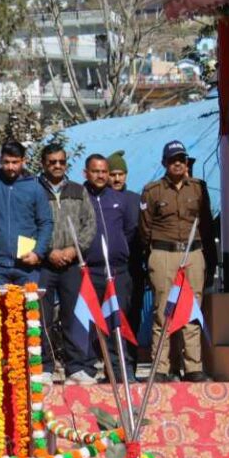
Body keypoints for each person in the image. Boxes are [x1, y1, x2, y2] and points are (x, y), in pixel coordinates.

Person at [140, 141, 216, 382]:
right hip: (164, 253)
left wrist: (208, 258)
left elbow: (206, 223)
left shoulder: (198, 188)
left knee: (192, 310)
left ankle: (193, 366)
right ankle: (161, 367)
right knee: (164, 311)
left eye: (182, 160)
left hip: (193, 253)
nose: (178, 164)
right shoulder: (153, 191)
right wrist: (151, 256)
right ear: (164, 163)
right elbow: (145, 228)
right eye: (173, 160)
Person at [36, 143, 97, 385]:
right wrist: (48, 251)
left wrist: (74, 249)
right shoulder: (33, 190)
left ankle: (75, 368)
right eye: (52, 162)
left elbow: (89, 225)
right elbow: (28, 225)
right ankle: (46, 367)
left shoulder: (77, 190)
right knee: (43, 317)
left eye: (61, 161)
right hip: (43, 263)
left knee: (74, 316)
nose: (57, 166)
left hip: (72, 263)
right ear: (43, 164)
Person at [82, 154, 138, 380]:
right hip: (90, 271)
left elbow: (130, 229)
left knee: (118, 321)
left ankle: (120, 370)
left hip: (117, 271)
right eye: (96, 171)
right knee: (91, 324)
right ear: (86, 173)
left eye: (104, 171)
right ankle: (88, 369)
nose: (101, 175)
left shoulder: (119, 199)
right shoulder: (79, 197)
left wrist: (118, 248)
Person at [0, 140, 54, 286]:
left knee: (29, 308)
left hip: (27, 265)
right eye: (6, 162)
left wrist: (38, 252)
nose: (10, 167)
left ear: (24, 161)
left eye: (15, 162)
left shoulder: (35, 188)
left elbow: (45, 223)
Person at [108, 150, 147, 363]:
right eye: (113, 174)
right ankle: (113, 360)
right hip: (111, 267)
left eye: (121, 174)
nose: (117, 179)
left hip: (133, 267)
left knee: (133, 312)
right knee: (113, 315)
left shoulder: (135, 199)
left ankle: (131, 358)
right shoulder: (101, 199)